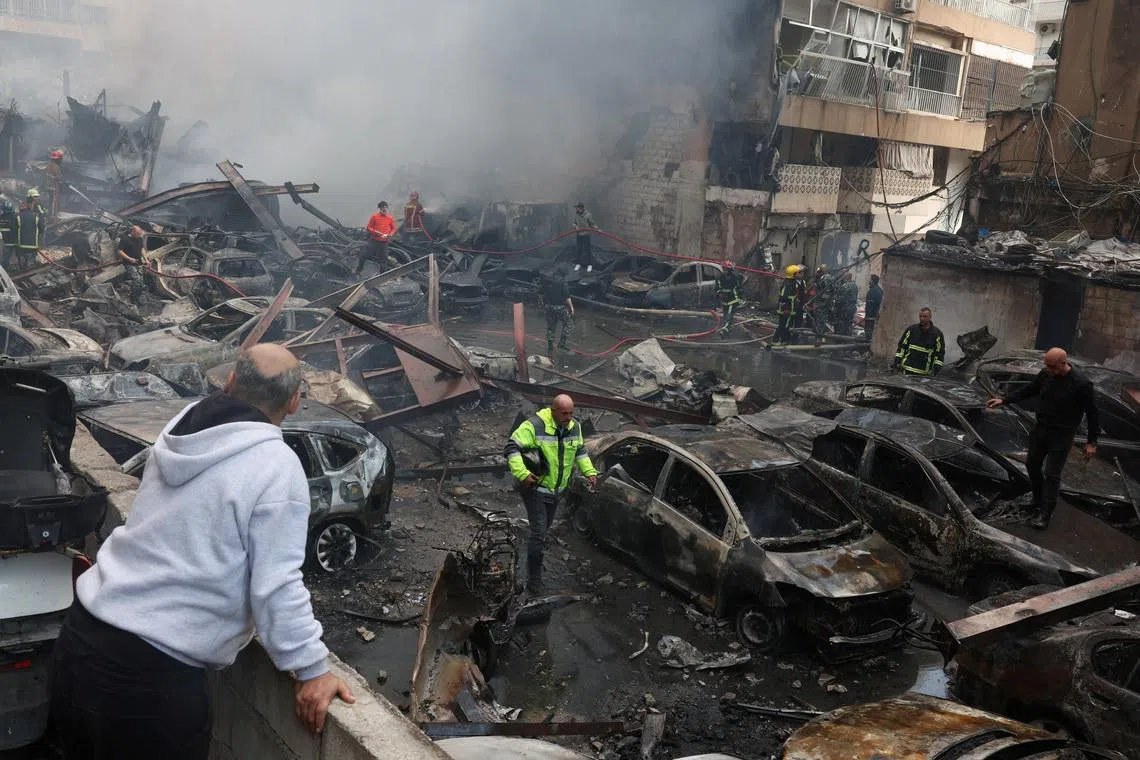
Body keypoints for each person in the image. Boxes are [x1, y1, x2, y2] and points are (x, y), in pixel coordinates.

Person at [51, 344, 355, 759]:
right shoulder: (276, 466)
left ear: (229, 381)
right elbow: (277, 583)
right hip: (150, 683)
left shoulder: (183, 427)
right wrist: (312, 668)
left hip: (81, 640)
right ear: (295, 401)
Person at [986, 348, 1098, 530]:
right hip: (1041, 430)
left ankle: (1045, 514)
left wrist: (1092, 442)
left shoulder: (1081, 384)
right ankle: (1037, 500)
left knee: (1052, 475)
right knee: (1032, 465)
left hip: (1062, 435)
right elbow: (1030, 389)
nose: (1049, 370)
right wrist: (1004, 400)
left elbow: (1093, 414)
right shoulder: (1046, 374)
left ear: (1063, 363)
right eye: (1046, 366)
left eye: (1052, 367)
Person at [504, 394, 598, 593]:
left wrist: (589, 472)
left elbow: (580, 451)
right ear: (553, 411)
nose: (568, 417)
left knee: (543, 529)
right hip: (535, 489)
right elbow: (511, 447)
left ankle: (534, 556)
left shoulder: (575, 427)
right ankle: (534, 580)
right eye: (564, 413)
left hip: (556, 491)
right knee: (539, 532)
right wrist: (522, 474)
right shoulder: (535, 425)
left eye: (571, 413)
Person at [893, 307, 944, 376]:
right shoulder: (911, 330)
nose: (922, 318)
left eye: (925, 316)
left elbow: (940, 353)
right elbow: (902, 346)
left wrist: (936, 368)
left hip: (924, 373)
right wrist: (897, 361)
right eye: (920, 316)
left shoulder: (937, 334)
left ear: (930, 317)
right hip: (907, 370)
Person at [542, 267, 575, 355]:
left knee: (551, 327)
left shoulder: (547, 280)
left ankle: (550, 347)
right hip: (560, 308)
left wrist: (543, 304)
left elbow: (541, 292)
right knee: (569, 324)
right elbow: (567, 296)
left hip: (549, 307)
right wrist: (571, 308)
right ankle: (562, 343)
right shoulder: (563, 282)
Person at [359, 201, 396, 274]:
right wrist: (377, 233)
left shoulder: (390, 218)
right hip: (374, 240)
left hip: (384, 242)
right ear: (380, 208)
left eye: (386, 207)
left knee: (384, 259)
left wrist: (390, 234)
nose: (384, 209)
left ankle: (382, 276)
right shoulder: (374, 217)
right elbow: (369, 227)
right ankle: (359, 270)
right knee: (364, 255)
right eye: (383, 207)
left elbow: (393, 228)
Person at [14, 188, 46, 271]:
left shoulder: (37, 207)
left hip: (21, 245)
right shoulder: (33, 212)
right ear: (30, 198)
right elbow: (42, 227)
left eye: (37, 197)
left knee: (22, 267)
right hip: (31, 245)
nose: (37, 199)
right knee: (28, 269)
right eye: (35, 197)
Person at [772, 264, 802, 345]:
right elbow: (783, 297)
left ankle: (784, 340)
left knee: (787, 325)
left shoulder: (792, 282)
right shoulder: (788, 284)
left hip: (790, 308)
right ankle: (777, 341)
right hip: (786, 309)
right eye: (799, 273)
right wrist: (787, 309)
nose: (800, 274)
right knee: (783, 325)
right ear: (794, 274)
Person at [117, 225, 148, 300]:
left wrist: (146, 259)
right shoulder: (124, 239)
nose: (139, 235)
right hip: (128, 263)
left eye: (139, 234)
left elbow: (141, 249)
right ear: (133, 232)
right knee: (137, 279)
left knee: (141, 281)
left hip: (139, 263)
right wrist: (129, 258)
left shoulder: (139, 239)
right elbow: (119, 251)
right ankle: (133, 298)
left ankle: (138, 296)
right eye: (137, 234)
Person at [715, 260, 744, 337]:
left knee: (728, 316)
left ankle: (725, 330)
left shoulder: (734, 276)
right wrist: (719, 294)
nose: (725, 271)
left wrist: (720, 294)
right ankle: (727, 330)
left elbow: (739, 288)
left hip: (732, 300)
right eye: (725, 269)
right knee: (726, 316)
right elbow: (717, 288)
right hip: (727, 301)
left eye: (726, 269)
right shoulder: (721, 277)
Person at [570, 202, 597, 273]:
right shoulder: (576, 215)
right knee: (579, 250)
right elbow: (573, 223)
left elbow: (592, 224)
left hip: (586, 235)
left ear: (581, 208)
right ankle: (578, 264)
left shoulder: (588, 215)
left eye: (577, 208)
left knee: (587, 250)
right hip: (579, 235)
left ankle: (589, 265)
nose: (576, 209)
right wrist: (576, 227)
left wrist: (597, 229)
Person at [832, 271, 858, 336]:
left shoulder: (844, 286)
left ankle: (840, 342)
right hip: (851, 309)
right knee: (848, 326)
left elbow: (840, 300)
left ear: (846, 277)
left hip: (843, 310)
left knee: (840, 327)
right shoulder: (855, 286)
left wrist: (835, 306)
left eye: (843, 275)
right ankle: (848, 340)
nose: (842, 277)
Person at [811, 264, 834, 334]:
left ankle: (820, 335)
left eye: (820, 270)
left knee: (820, 318)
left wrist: (821, 303)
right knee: (821, 318)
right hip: (825, 302)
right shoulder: (829, 277)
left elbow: (827, 293)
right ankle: (819, 331)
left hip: (822, 303)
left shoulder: (826, 278)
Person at [45, 148, 65, 219]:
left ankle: (50, 216)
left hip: (49, 187)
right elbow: (59, 178)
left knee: (50, 203)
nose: (61, 160)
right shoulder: (56, 167)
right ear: (57, 159)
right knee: (54, 204)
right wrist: (64, 182)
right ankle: (53, 219)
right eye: (60, 158)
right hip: (54, 187)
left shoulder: (49, 165)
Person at [864, 274, 883, 344]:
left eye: (870, 279)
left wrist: (871, 314)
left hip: (871, 316)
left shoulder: (875, 291)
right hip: (870, 315)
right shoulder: (874, 290)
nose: (869, 280)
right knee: (868, 332)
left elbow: (878, 304)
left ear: (873, 281)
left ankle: (868, 347)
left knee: (869, 333)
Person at [0, 192, 15, 268]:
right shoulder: (13, 217)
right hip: (10, 241)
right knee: (6, 255)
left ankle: (4, 267)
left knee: (4, 255)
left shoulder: (2, 217)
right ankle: (5, 267)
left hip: (4, 240)